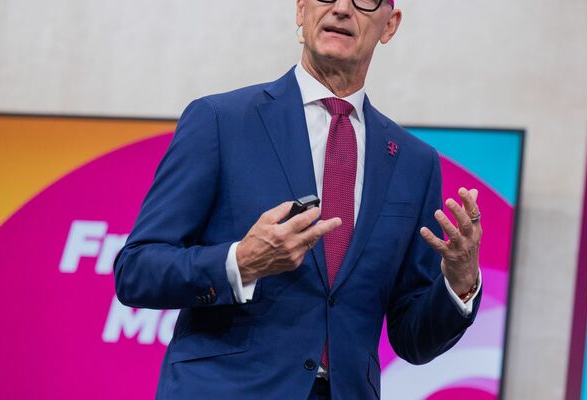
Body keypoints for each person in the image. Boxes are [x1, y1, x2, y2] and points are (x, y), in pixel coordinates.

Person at [114, 0, 483, 398]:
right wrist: (240, 263)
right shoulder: (220, 120)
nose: (341, 8)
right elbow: (136, 269)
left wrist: (459, 284)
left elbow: (414, 339)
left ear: (389, 25)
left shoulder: (415, 162)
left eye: (364, 0)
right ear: (301, 10)